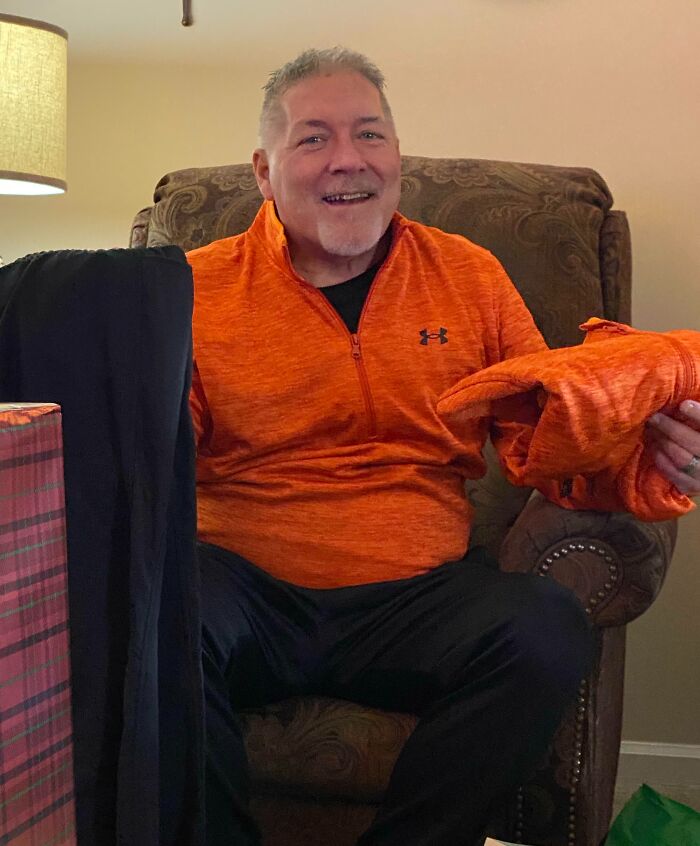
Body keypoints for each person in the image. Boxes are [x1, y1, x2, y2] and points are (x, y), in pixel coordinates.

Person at [186, 47, 700, 846]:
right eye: (314, 138)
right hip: (244, 589)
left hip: (418, 597)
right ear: (264, 170)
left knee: (543, 628)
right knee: (149, 613)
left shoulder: (468, 275)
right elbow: (141, 457)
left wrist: (647, 459)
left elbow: (544, 435)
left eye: (370, 134)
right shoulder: (191, 288)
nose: (348, 159)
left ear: (397, 156)